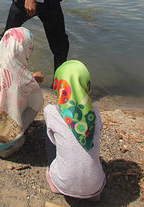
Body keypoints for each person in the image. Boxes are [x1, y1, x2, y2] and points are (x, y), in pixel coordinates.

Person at [0, 27, 44, 157]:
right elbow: (37, 102)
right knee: (37, 100)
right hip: (3, 142)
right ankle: (10, 144)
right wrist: (33, 80)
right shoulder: (26, 79)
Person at [44, 60, 105, 200]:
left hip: (62, 184)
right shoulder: (95, 113)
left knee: (50, 131)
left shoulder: (51, 112)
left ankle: (54, 179)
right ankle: (90, 192)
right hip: (95, 187)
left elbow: (52, 139)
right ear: (87, 84)